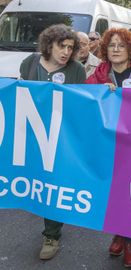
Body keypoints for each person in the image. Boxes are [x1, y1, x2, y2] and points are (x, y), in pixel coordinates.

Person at [86, 28, 131, 268]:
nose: (115, 49)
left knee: (129, 193)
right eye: (111, 45)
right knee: (112, 192)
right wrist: (100, 93)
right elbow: (85, 100)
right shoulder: (98, 73)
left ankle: (130, 241)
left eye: (121, 45)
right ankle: (119, 232)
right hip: (107, 143)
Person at [19, 24, 86, 260]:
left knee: (53, 183)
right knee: (34, 180)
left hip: (60, 138)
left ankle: (52, 234)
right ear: (49, 44)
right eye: (62, 46)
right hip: (29, 134)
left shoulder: (76, 70)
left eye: (70, 47)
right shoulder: (30, 62)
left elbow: (81, 102)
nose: (66, 51)